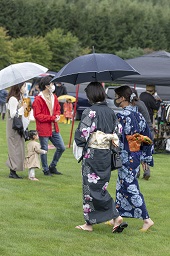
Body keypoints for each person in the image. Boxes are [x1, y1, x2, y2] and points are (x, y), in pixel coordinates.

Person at [74, 82, 128, 233]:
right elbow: (118, 132)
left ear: (91, 95)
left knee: (90, 188)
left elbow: (81, 135)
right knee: (100, 187)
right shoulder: (111, 112)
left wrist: (83, 140)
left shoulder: (90, 112)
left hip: (93, 154)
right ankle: (112, 218)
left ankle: (94, 222)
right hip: (105, 154)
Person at [113, 85, 154, 231]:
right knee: (121, 184)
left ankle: (147, 219)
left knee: (130, 187)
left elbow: (116, 136)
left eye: (117, 96)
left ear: (122, 98)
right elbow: (147, 137)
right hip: (135, 154)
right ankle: (117, 215)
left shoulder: (123, 115)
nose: (115, 99)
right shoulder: (139, 115)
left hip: (126, 154)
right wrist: (145, 156)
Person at [32, 75, 65, 176]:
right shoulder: (38, 99)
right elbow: (37, 116)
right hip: (44, 128)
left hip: (54, 128)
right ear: (47, 86)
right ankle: (46, 169)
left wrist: (57, 115)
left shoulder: (53, 96)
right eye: (52, 84)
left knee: (61, 147)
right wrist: (52, 118)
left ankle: (52, 166)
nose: (53, 86)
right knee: (44, 149)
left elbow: (57, 108)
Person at [6, 83, 28, 179]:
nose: (25, 88)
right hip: (13, 127)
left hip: (17, 127)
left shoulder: (19, 98)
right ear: (19, 87)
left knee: (18, 147)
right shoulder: (13, 99)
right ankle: (12, 170)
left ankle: (14, 169)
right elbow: (12, 114)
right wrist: (22, 108)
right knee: (14, 148)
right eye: (24, 86)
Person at [131, 88, 154, 180]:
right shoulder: (141, 103)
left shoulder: (135, 105)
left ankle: (137, 172)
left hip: (142, 132)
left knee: (136, 152)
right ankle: (146, 171)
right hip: (149, 131)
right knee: (144, 152)